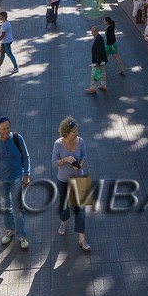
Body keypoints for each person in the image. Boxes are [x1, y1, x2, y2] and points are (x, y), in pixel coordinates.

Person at [0, 117, 31, 250]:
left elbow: (26, 156)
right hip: (1, 180)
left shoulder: (17, 138)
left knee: (18, 208)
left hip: (17, 178)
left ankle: (22, 236)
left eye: (8, 128)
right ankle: (10, 229)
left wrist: (26, 174)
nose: (6, 131)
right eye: (3, 129)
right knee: (6, 206)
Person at [53, 116, 90, 252]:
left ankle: (82, 239)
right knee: (64, 206)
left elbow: (85, 156)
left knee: (80, 209)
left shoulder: (80, 142)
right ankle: (63, 223)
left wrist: (79, 165)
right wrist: (66, 159)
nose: (76, 133)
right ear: (66, 132)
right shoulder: (58, 144)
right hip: (63, 180)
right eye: (74, 131)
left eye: (77, 130)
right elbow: (54, 163)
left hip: (79, 178)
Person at [0, 10, 19, 77]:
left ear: (4, 17)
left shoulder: (5, 25)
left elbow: (2, 35)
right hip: (5, 42)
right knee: (2, 54)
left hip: (6, 42)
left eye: (0, 16)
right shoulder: (5, 23)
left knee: (10, 54)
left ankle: (16, 67)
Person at [85, 25, 108, 95]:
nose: (91, 32)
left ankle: (93, 88)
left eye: (92, 31)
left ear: (95, 31)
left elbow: (99, 51)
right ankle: (103, 85)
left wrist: (97, 62)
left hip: (98, 61)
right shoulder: (99, 38)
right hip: (102, 60)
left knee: (93, 74)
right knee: (103, 73)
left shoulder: (98, 39)